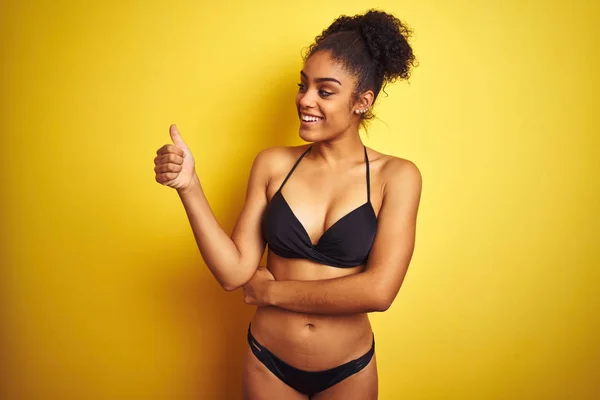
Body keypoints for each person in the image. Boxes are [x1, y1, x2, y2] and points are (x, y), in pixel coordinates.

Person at [154, 9, 421, 400]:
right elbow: (234, 273)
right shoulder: (273, 164)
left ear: (362, 101)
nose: (305, 100)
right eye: (303, 85)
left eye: (325, 91)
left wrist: (271, 293)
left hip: (349, 369)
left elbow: (379, 291)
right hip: (268, 363)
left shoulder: (395, 177)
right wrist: (189, 186)